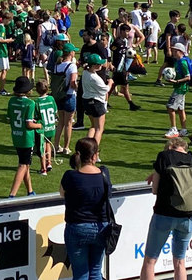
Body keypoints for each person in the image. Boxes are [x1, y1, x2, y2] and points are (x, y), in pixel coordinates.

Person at [140, 138, 192, 280]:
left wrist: (156, 175)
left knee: (150, 261)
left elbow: (155, 190)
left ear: (169, 147)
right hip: (188, 216)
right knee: (180, 262)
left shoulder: (164, 156)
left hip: (164, 214)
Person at [59, 137, 109, 280]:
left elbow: (62, 193)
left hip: (77, 228)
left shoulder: (70, 176)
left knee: (81, 273)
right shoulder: (104, 174)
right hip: (101, 227)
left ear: (78, 154)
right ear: (95, 156)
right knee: (96, 272)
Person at [7, 76, 41, 198]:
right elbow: (29, 124)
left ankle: (30, 191)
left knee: (25, 164)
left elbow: (9, 119)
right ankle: (12, 194)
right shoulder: (30, 103)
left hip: (16, 136)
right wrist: (39, 125)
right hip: (27, 138)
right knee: (23, 165)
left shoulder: (11, 101)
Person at [80, 52, 112, 148]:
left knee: (93, 126)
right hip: (96, 103)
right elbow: (106, 89)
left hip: (86, 101)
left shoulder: (85, 72)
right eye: (99, 64)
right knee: (99, 129)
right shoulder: (94, 78)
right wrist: (110, 82)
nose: (101, 65)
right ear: (94, 65)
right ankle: (94, 152)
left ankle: (85, 148)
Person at [164, 43, 191, 139]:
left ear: (180, 51)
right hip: (179, 88)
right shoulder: (177, 62)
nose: (173, 52)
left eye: (175, 51)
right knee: (180, 109)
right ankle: (184, 130)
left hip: (180, 89)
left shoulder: (183, 63)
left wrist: (176, 81)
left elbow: (188, 77)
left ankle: (173, 129)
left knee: (170, 107)